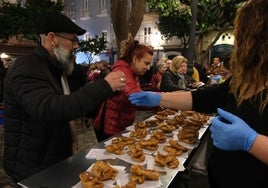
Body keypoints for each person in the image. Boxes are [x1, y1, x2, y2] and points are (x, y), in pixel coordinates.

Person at [129, 0, 268, 187]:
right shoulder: (242, 81)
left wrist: (251, 141)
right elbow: (200, 98)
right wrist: (159, 97)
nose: (237, 43)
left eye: (241, 36)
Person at [3, 12, 126, 182]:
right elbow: (48, 109)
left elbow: (75, 104)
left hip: (55, 160)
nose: (76, 46)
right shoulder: (26, 68)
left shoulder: (57, 68)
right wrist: (103, 86)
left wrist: (109, 91)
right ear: (52, 38)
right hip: (33, 167)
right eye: (72, 40)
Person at [93, 33, 153, 142]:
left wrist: (158, 105)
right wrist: (163, 101)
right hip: (109, 127)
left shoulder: (133, 73)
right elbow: (136, 96)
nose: (148, 68)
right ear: (135, 59)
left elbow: (135, 102)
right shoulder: (122, 70)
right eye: (146, 63)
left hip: (120, 125)